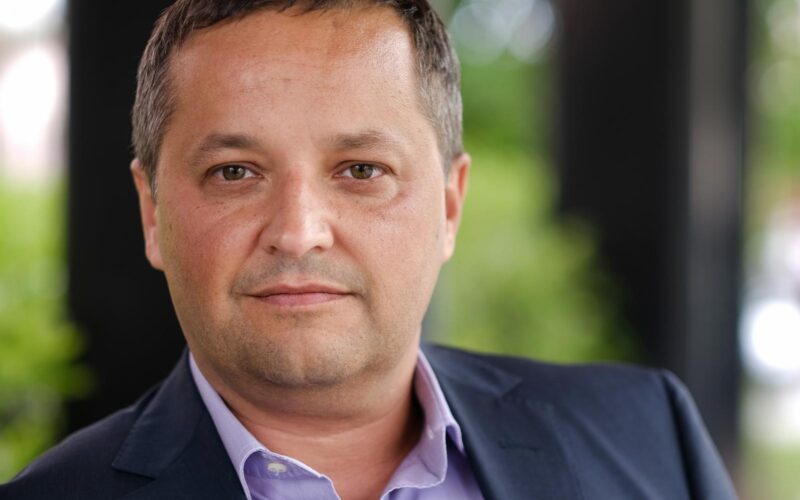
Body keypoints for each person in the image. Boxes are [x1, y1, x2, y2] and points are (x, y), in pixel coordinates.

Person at [0, 1, 737, 498]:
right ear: (153, 213)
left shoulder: (647, 435)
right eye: (234, 173)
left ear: (449, 205)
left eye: (360, 171)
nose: (298, 231)